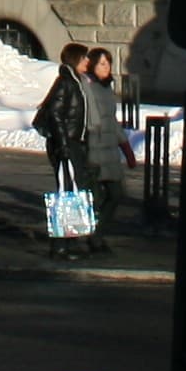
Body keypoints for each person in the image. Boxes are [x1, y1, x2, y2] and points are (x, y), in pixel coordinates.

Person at [35, 44, 94, 258]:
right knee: (65, 193)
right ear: (76, 59)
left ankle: (69, 240)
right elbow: (55, 114)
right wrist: (63, 145)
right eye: (85, 58)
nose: (88, 61)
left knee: (72, 191)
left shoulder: (76, 81)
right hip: (65, 145)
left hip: (72, 143)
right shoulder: (66, 83)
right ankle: (60, 245)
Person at [76, 47, 127, 250]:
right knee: (95, 198)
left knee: (116, 195)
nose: (106, 68)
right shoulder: (88, 87)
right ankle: (93, 238)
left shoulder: (107, 88)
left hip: (110, 151)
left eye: (108, 63)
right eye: (102, 64)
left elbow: (112, 120)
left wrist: (125, 144)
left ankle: (97, 233)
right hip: (94, 150)